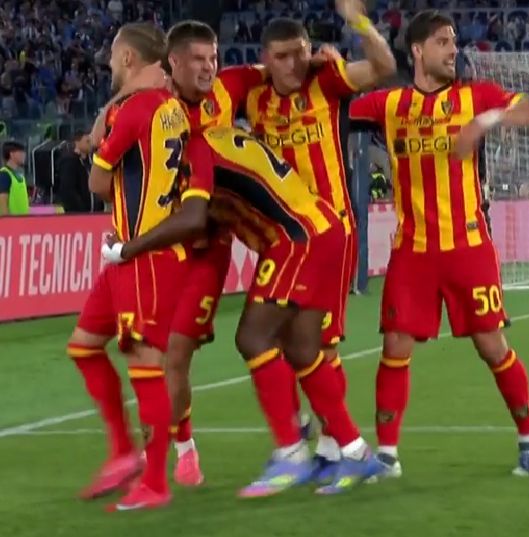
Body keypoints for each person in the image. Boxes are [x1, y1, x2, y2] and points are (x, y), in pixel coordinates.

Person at [102, 126, 384, 497]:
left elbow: (192, 220)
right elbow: (204, 223)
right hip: (323, 228)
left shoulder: (195, 151)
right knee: (302, 349)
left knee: (253, 338)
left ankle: (291, 452)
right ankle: (356, 451)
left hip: (296, 239)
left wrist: (128, 248)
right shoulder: (217, 140)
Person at [349, 10, 529, 478]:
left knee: (491, 345)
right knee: (395, 346)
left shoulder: (476, 96)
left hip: (468, 247)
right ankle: (387, 456)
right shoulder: (389, 104)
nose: (453, 49)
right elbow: (334, 105)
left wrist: (487, 121)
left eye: (454, 41)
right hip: (413, 252)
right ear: (418, 50)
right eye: (443, 41)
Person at [243, 0, 396, 480]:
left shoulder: (326, 81)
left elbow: (384, 67)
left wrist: (358, 22)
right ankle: (318, 440)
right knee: (282, 341)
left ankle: (334, 448)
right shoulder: (252, 95)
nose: (293, 64)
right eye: (282, 56)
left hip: (331, 232)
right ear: (266, 58)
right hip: (285, 238)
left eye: (300, 52)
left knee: (319, 345)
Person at [66, 22, 191, 512]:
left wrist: (100, 152)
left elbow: (98, 184)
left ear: (127, 59)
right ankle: (123, 454)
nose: (108, 64)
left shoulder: (136, 109)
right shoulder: (167, 106)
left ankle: (154, 480)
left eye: (113, 56)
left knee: (145, 365)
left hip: (145, 257)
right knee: (83, 345)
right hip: (128, 253)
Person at [159, 20, 267, 487]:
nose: (209, 67)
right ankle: (179, 443)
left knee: (176, 353)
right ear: (174, 63)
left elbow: (279, 67)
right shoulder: (153, 104)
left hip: (209, 247)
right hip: (161, 244)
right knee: (156, 356)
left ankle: (178, 452)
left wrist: (320, 58)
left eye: (214, 58)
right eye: (198, 59)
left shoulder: (229, 87)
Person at [57, 130, 93, 213]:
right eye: (87, 141)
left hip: (93, 211)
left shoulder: (89, 162)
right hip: (78, 212)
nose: (91, 144)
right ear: (77, 142)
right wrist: (81, 209)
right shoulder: (69, 162)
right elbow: (67, 189)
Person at [0, 141, 29, 216]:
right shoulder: (4, 174)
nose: (24, 155)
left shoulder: (19, 176)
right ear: (12, 154)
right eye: (21, 152)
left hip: (23, 221)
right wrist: (7, 221)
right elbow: (2, 201)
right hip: (12, 222)